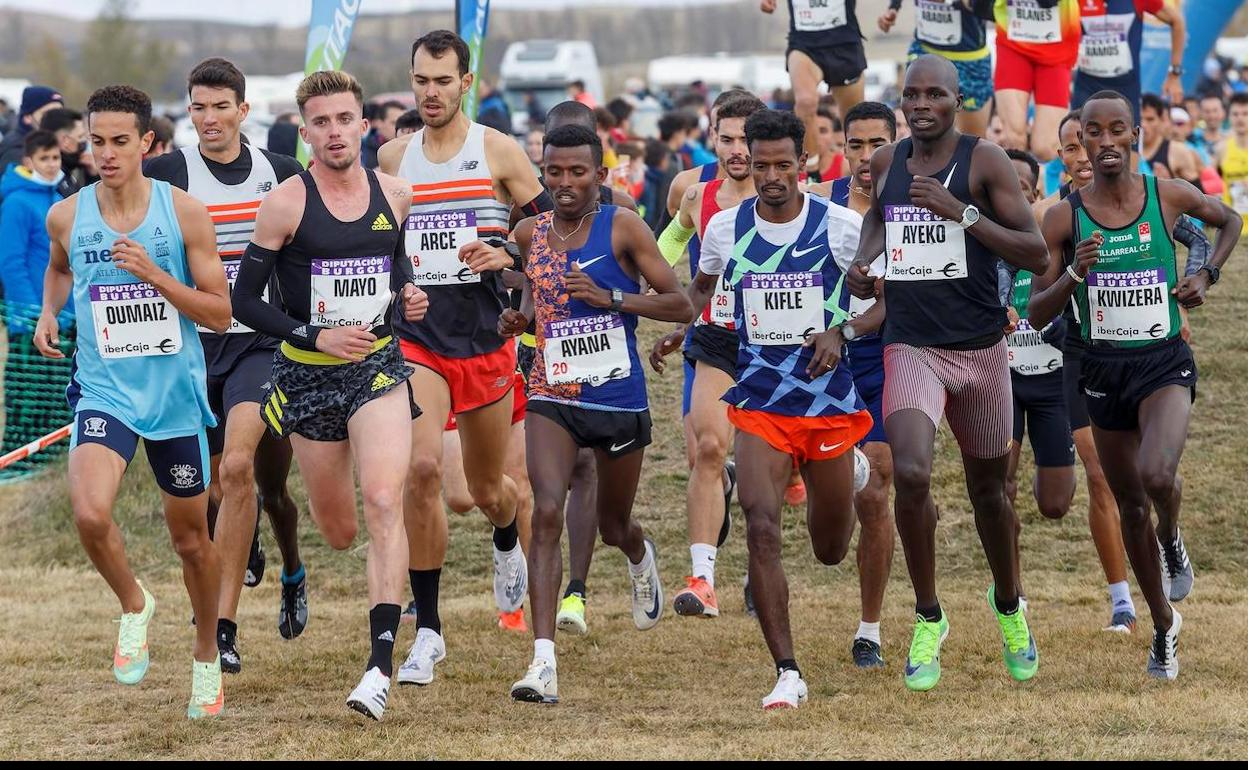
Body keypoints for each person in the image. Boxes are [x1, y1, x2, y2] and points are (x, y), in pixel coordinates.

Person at [849, 55, 1049, 692]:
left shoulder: (983, 160)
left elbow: (1035, 251)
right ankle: (929, 616)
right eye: (912, 94)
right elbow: (881, 221)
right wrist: (863, 260)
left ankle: (1010, 605)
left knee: (991, 493)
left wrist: (958, 212)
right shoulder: (888, 163)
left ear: (957, 99)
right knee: (909, 473)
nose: (921, 104)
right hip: (911, 345)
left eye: (935, 93)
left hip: (982, 348)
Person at [233, 69, 428, 718]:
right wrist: (314, 332)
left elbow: (396, 272)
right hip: (308, 376)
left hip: (376, 368)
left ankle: (378, 666)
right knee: (341, 532)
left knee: (381, 500)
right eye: (321, 122)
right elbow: (242, 301)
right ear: (305, 130)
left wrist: (408, 297)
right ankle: (319, 575)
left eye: (345, 119)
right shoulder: (285, 203)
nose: (335, 132)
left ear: (364, 124)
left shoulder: (395, 194)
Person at [1027, 90, 1241, 679]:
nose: (1107, 142)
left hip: (1162, 363)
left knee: (1157, 476)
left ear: (1134, 137)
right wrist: (1073, 272)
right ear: (1082, 144)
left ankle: (1173, 537)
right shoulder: (1063, 218)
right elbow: (1038, 313)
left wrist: (1205, 273)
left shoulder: (1165, 196)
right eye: (1093, 133)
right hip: (1100, 368)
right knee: (1128, 504)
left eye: (1117, 130)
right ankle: (1163, 624)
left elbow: (1231, 220)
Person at [33, 84, 232, 718]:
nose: (108, 154)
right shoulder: (66, 214)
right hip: (105, 389)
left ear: (147, 143)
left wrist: (155, 276)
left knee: (190, 543)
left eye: (121, 142)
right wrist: (48, 312)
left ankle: (205, 653)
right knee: (91, 514)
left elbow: (222, 314)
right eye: (97, 142)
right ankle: (133, 603)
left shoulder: (185, 214)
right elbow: (61, 266)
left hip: (173, 397)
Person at [377, 30, 548, 687]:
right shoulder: (393, 156)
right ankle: (428, 632)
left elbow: (549, 229)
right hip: (420, 340)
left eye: (443, 80)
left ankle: (506, 533)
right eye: (421, 79)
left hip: (486, 339)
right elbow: (378, 244)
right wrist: (397, 287)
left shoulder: (496, 151)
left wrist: (508, 255)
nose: (430, 92)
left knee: (486, 491)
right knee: (421, 469)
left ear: (466, 82)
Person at [502, 123, 693, 704]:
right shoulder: (530, 231)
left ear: (600, 176)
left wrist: (611, 298)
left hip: (617, 399)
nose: (563, 183)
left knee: (613, 526)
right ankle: (542, 663)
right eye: (553, 172)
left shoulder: (623, 227)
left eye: (576, 172)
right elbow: (537, 302)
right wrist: (520, 319)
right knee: (547, 511)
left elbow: (679, 302)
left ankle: (639, 554)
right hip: (552, 393)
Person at [696, 109, 871, 708]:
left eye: (782, 165)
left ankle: (851, 474)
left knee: (830, 548)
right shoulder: (725, 229)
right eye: (761, 164)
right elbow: (699, 295)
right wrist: (673, 328)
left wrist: (841, 331)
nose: (771, 176)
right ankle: (788, 671)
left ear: (804, 164)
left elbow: (891, 302)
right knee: (760, 524)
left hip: (826, 403)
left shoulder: (841, 227)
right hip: (761, 402)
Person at [145, 57, 308, 673]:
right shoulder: (167, 173)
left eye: (220, 107)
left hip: (260, 344)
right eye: (197, 107)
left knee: (253, 474)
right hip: (191, 347)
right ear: (188, 112)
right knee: (216, 487)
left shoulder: (282, 172)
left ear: (244, 110)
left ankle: (246, 608)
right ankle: (242, 564)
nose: (209, 118)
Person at [649, 93, 766, 618]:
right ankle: (702, 580)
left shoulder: (786, 190)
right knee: (707, 451)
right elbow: (664, 250)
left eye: (747, 139)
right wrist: (646, 291)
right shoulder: (693, 194)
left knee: (771, 468)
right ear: (711, 136)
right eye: (727, 138)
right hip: (714, 335)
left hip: (773, 340)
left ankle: (757, 574)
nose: (737, 150)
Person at [814, 100, 899, 668]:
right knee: (831, 528)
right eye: (856, 145)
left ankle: (869, 627)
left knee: (878, 490)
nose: (867, 158)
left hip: (891, 358)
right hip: (826, 363)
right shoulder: (819, 207)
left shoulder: (916, 203)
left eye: (877, 145)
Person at [1002, 148, 1076, 526]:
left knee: (1055, 503)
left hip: (1053, 382)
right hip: (1003, 382)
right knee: (1001, 485)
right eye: (1005, 187)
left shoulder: (1058, 241)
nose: (1014, 195)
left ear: (1034, 197)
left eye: (1023, 188)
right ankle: (1007, 585)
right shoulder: (980, 244)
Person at [0, 130, 72, 462]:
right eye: (44, 159)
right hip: (30, 318)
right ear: (28, 161)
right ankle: (22, 457)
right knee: (29, 394)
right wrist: (32, 313)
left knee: (59, 390)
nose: (51, 164)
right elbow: (10, 262)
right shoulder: (16, 202)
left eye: (55, 158)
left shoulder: (60, 199)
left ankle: (54, 456)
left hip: (65, 315)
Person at [760, 0, 867, 172]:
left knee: (856, 123)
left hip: (844, 45)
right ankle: (811, 174)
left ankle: (861, 176)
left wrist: (892, 9)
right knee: (805, 102)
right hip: (804, 44)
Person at [877, 0, 994, 137]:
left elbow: (992, 13)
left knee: (972, 141)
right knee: (921, 128)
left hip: (970, 59)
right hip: (925, 50)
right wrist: (893, 8)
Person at [991, 0, 1081, 162]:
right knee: (1013, 139)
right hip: (1012, 41)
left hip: (1057, 46)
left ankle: (1037, 180)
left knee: (1045, 148)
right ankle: (1017, 184)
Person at [1070, 0, 1185, 120]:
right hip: (1086, 87)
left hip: (1125, 89)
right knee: (1078, 136)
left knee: (1126, 137)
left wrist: (1174, 74)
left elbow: (1177, 21)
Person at [0, 85, 63, 187]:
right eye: (48, 114)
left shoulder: (49, 144)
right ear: (27, 118)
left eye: (60, 114)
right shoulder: (17, 150)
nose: (56, 120)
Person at [1141, 94, 1203, 186]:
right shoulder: (1125, 151)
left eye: (1150, 119)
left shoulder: (1178, 151)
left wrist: (1168, 186)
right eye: (1139, 119)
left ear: (1161, 120)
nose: (1143, 125)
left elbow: (1198, 197)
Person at [1214, 92, 1248, 216]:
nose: (1240, 118)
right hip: (1234, 225)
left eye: (1245, 114)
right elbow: (1211, 187)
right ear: (1229, 117)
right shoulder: (1221, 149)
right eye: (1235, 114)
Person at [362, 100, 405, 169]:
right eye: (394, 123)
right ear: (379, 123)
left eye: (403, 123)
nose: (400, 127)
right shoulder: (363, 149)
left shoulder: (410, 149)